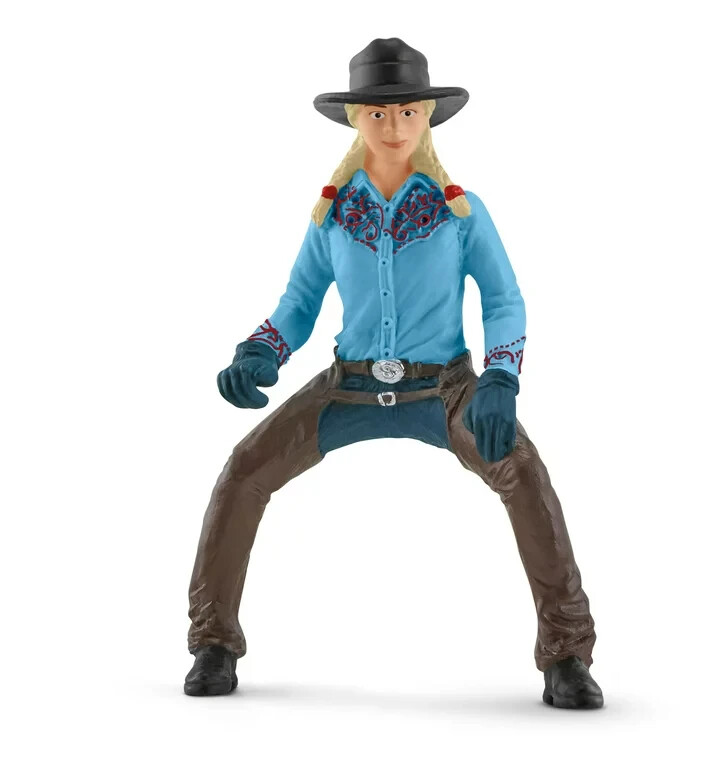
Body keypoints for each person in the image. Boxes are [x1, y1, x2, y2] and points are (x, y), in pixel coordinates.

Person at [185, 38, 603, 709]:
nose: (394, 126)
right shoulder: (331, 215)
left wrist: (501, 377)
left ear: (427, 117)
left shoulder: (460, 210)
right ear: (356, 119)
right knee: (245, 469)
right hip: (348, 387)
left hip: (445, 389)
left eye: (408, 112)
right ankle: (212, 643)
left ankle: (568, 654)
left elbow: (503, 299)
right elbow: (299, 302)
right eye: (378, 113)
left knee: (523, 474)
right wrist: (259, 351)